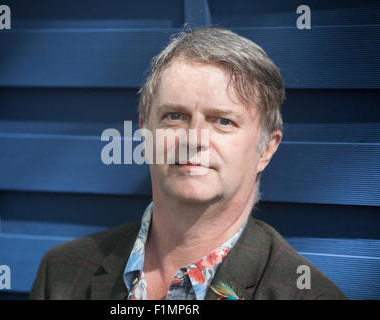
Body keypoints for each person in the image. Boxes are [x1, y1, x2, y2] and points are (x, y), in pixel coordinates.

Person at [29, 27, 347, 300]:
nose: (194, 138)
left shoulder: (307, 293)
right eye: (175, 116)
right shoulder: (60, 273)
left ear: (266, 149)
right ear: (145, 132)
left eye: (222, 121)